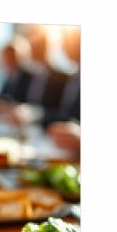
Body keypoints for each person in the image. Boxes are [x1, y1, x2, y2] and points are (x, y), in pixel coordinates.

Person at [46, 27, 81, 158]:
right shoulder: (72, 77)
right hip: (66, 151)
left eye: (69, 42)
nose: (64, 47)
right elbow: (65, 115)